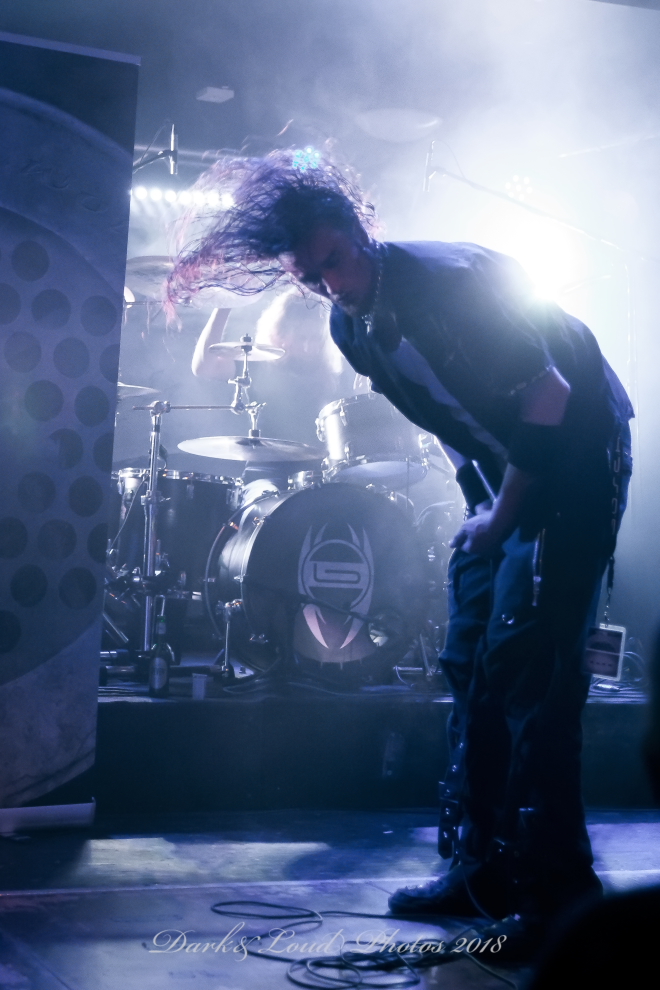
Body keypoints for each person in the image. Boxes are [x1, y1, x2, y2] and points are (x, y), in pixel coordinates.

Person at [168, 150, 633, 961]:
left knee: (533, 673)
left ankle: (558, 897)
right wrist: (483, 505)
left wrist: (504, 515)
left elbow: (550, 392)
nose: (328, 286)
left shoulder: (450, 284)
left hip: (580, 461)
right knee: (470, 658)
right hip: (509, 474)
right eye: (309, 277)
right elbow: (447, 419)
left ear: (360, 232)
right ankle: (479, 869)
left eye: (334, 262)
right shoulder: (351, 329)